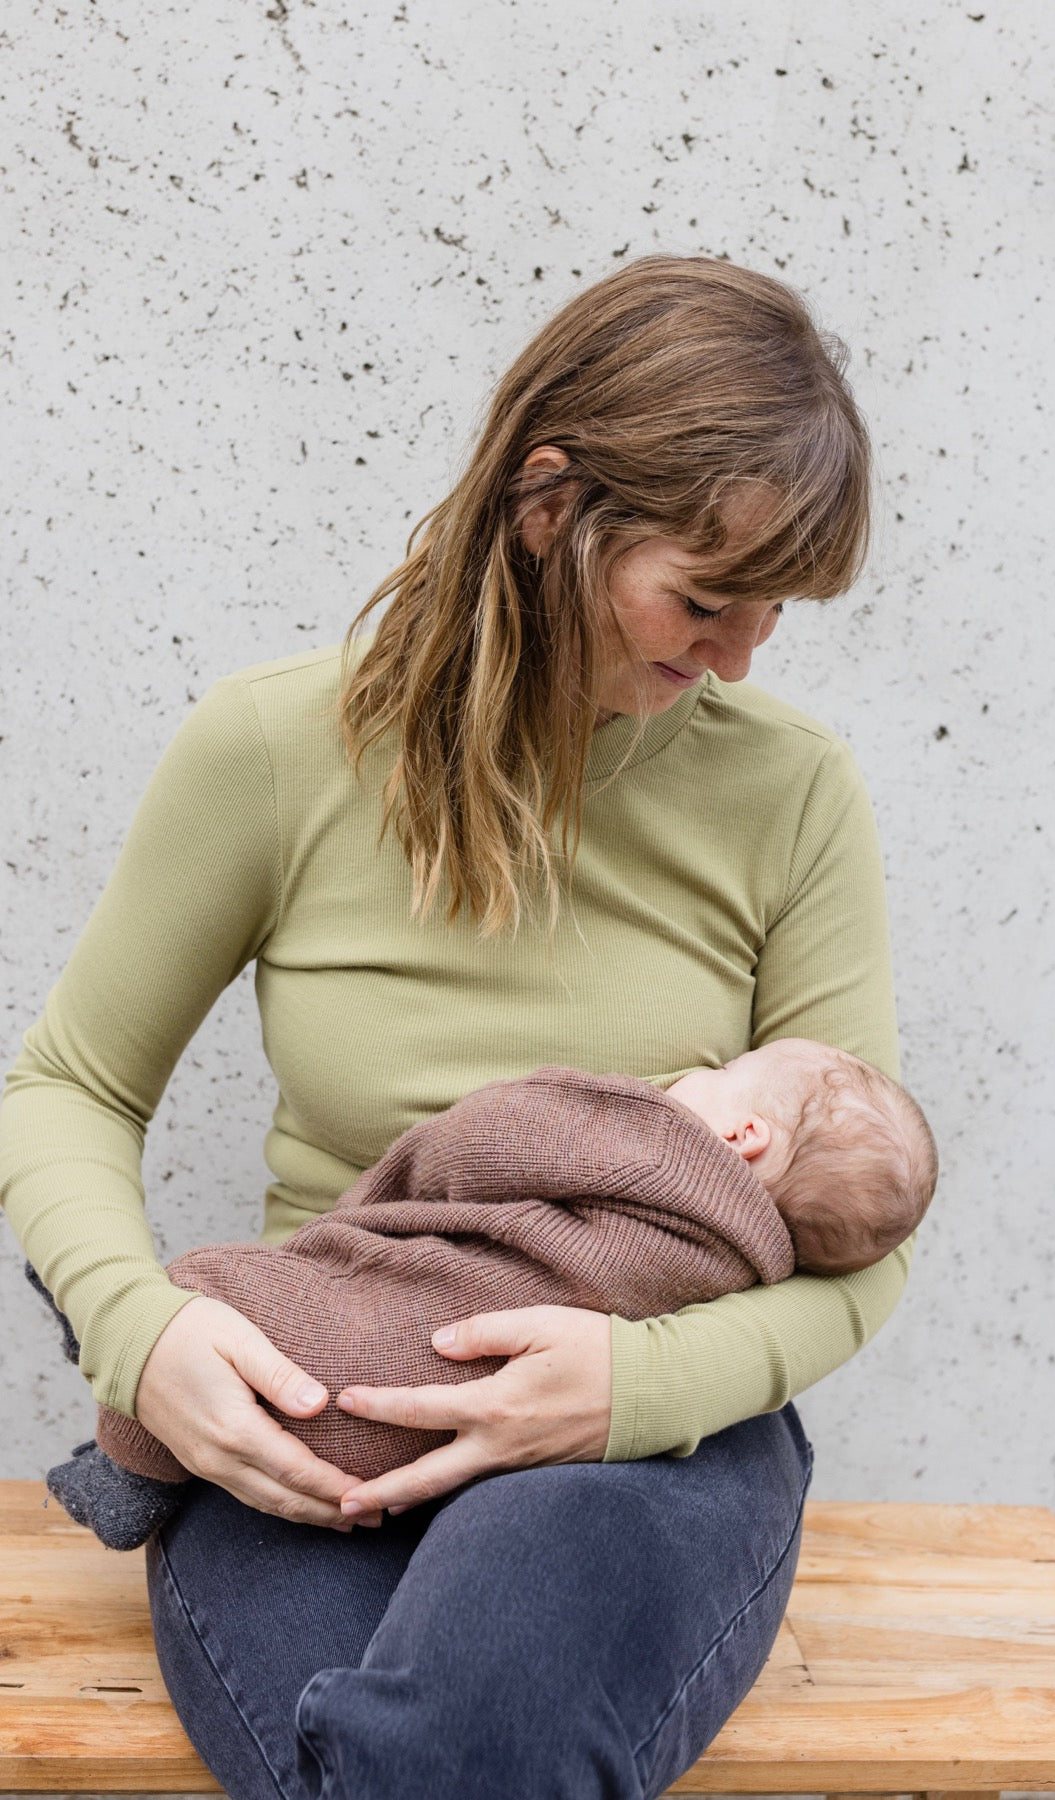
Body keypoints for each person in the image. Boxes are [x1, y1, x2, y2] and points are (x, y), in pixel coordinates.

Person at [0, 255, 917, 1799]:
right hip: (311, 1423)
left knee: (458, 1744)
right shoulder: (276, 748)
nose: (740, 657)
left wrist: (632, 1392)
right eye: (704, 598)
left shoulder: (793, 791)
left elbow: (869, 1238)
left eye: (772, 613)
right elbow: (72, 1085)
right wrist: (142, 1335)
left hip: (652, 1444)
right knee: (412, 1766)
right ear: (550, 504)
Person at [36, 1040, 937, 1552]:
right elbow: (71, 1079)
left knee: (208, 1293)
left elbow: (484, 1143)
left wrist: (376, 1208)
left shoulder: (655, 1144)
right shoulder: (742, 1265)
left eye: (724, 1068)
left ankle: (129, 1473)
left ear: (741, 1134)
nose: (691, 1076)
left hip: (349, 1359)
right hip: (463, 1440)